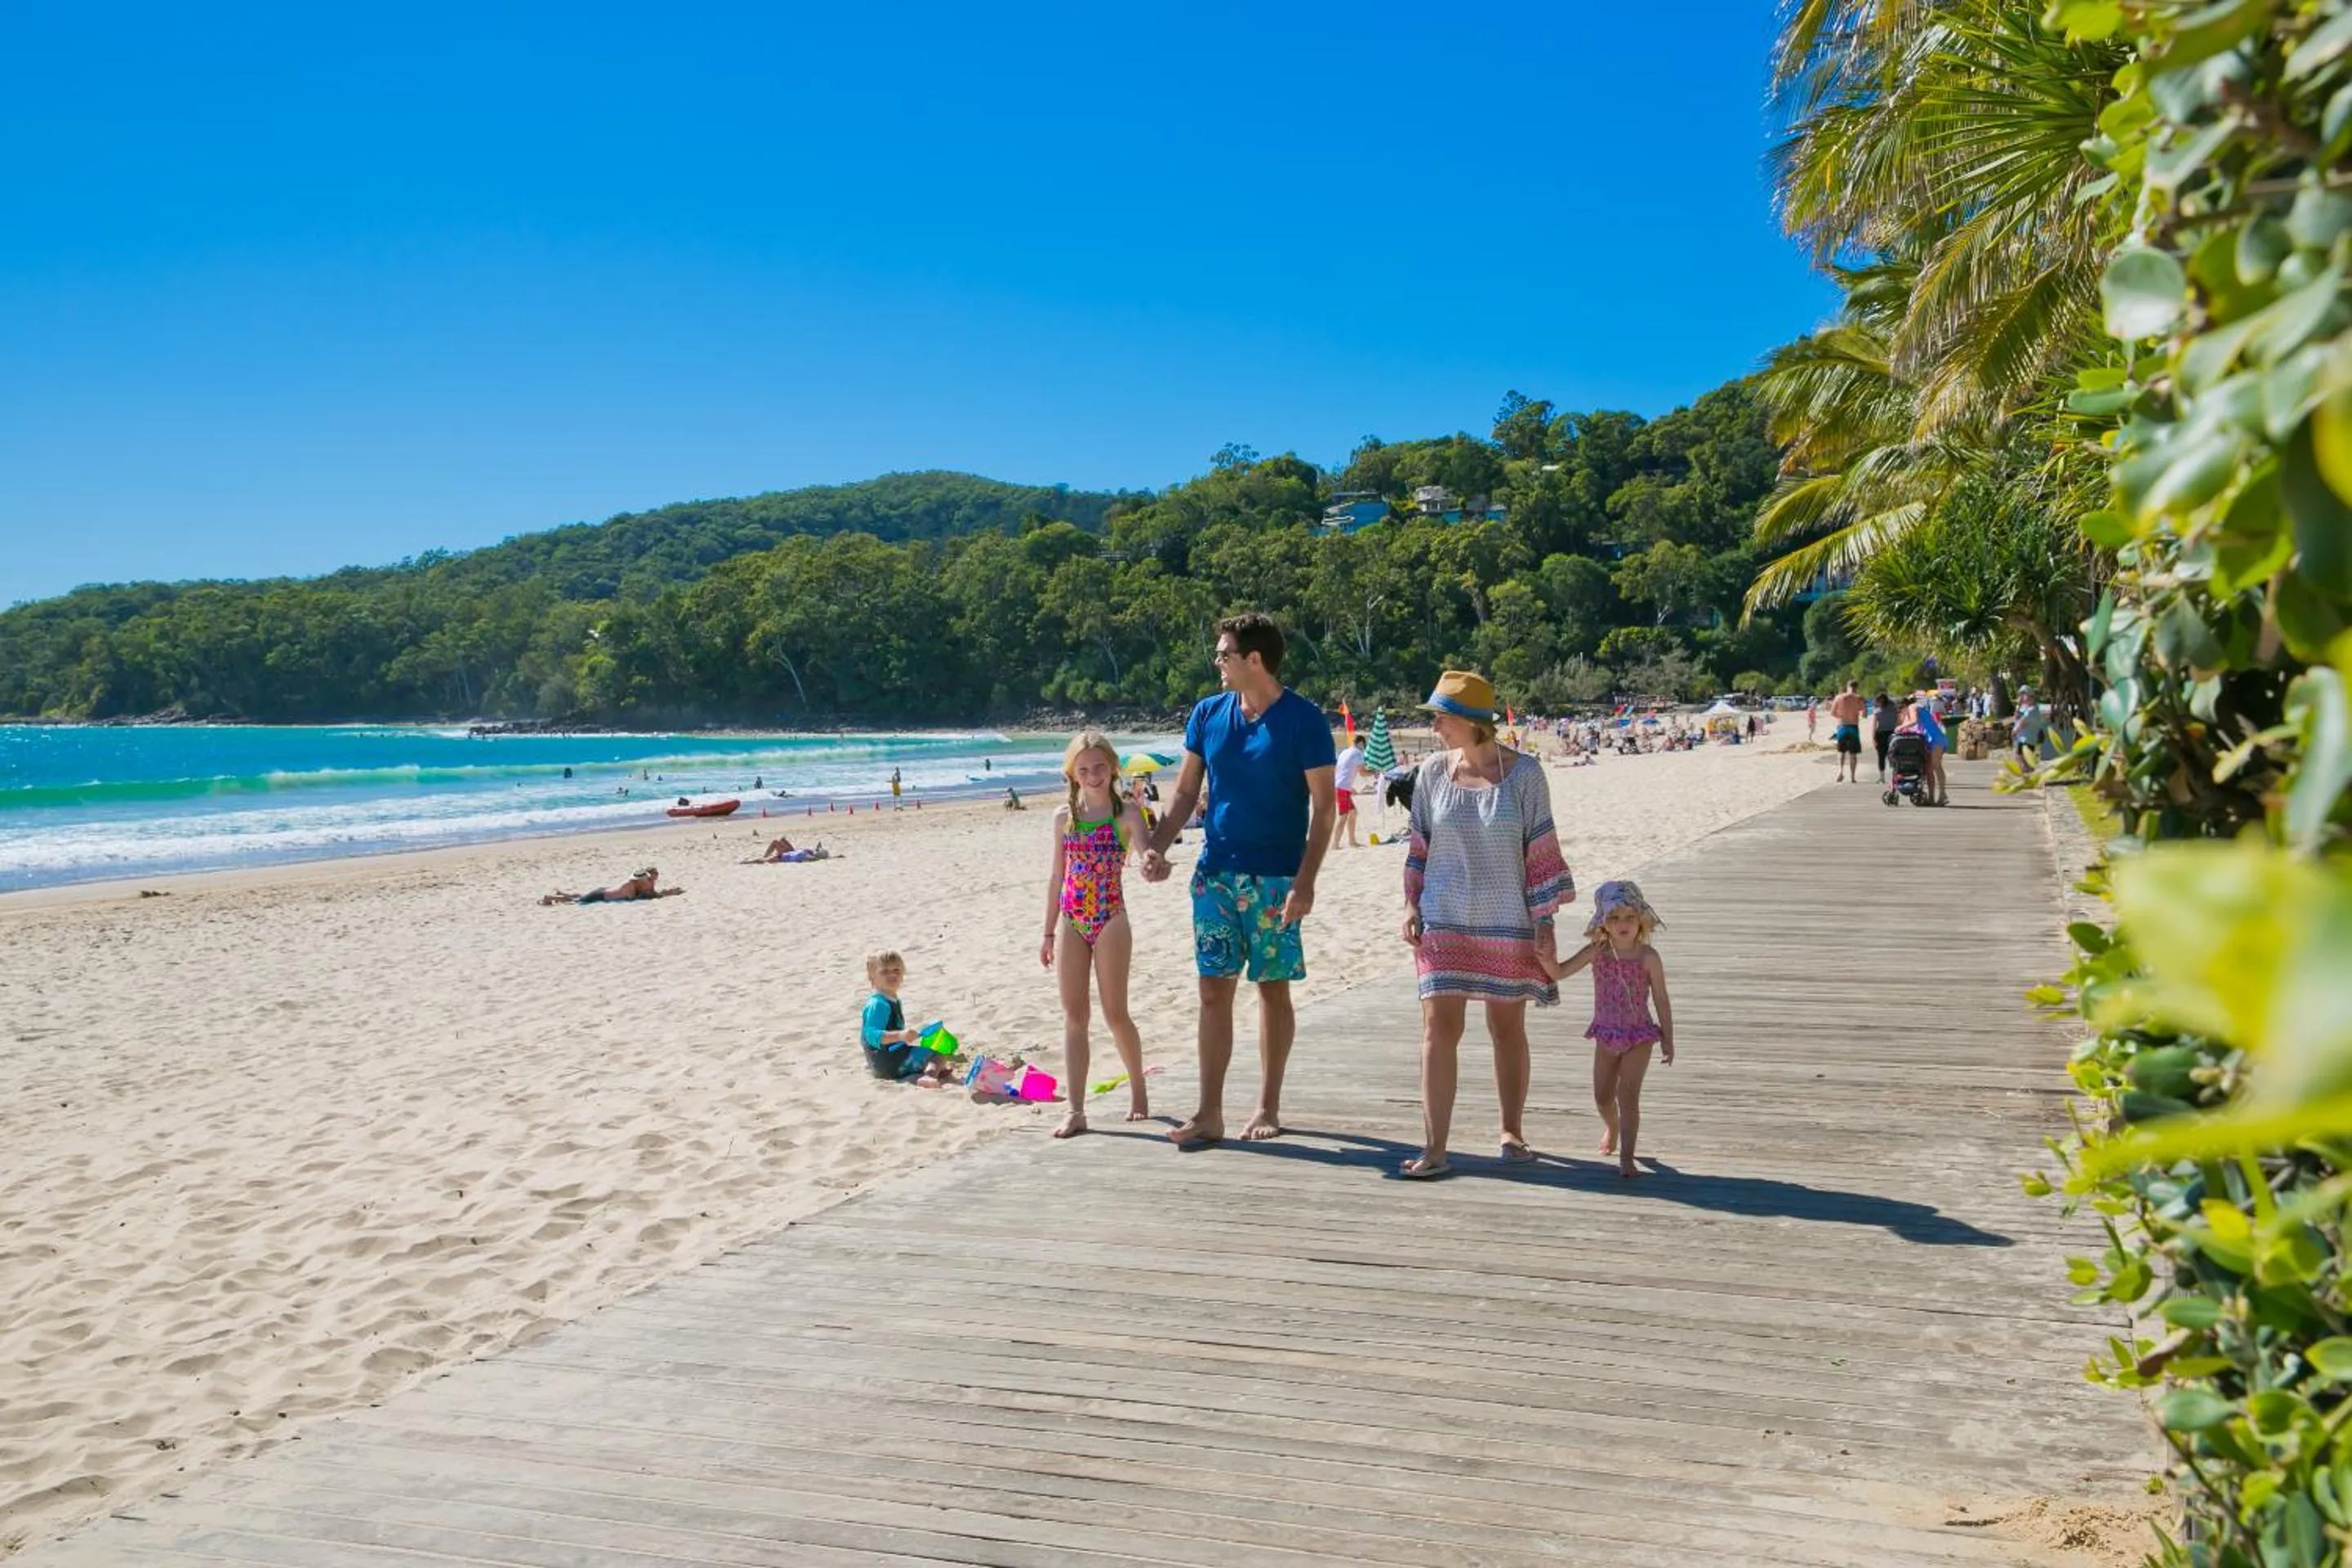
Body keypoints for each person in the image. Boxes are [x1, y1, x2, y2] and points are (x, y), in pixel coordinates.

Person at [1141, 612, 1337, 1146]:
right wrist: (1156, 848)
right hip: (1215, 876)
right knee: (1212, 992)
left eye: (1224, 653)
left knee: (1272, 990)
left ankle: (1267, 1105)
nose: (1217, 662)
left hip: (1276, 879)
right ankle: (1209, 1113)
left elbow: (1324, 809)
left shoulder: (1304, 720)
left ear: (1254, 659)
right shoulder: (1208, 714)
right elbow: (1184, 796)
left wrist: (1307, 879)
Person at [1396, 671, 1574, 1180]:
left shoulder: (1526, 776)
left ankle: (1511, 1132)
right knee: (1438, 1029)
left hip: (1507, 921)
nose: (1434, 728)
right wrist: (1410, 905)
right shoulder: (1431, 773)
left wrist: (1544, 921)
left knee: (1506, 1028)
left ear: (1473, 722)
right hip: (1443, 918)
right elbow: (1419, 847)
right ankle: (1435, 1147)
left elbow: (1540, 854)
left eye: (1442, 718)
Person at [1040, 732, 1151, 1137]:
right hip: (1071, 919)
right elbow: (1056, 876)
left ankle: (1138, 1088)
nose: (1093, 775)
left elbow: (1145, 853)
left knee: (1115, 1013)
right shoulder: (1062, 817)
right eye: (1083, 769)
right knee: (1074, 1017)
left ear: (1113, 767)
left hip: (1111, 917)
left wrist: (1153, 862)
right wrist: (1047, 932)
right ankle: (1076, 1109)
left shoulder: (1128, 814)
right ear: (1072, 772)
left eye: (1099, 767)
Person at [1543, 880, 1673, 1178]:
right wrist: (1545, 959)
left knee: (1628, 1096)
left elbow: (1662, 1000)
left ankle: (1627, 1157)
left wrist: (1668, 1039)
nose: (1622, 924)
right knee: (1602, 1097)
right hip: (1606, 1033)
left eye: (1629, 917)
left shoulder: (1648, 957)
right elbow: (1560, 972)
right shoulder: (1597, 952)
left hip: (1639, 1034)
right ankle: (1612, 1127)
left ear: (1640, 918)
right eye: (1614, 918)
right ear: (1604, 922)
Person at [860, 951, 956, 1086]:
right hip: (890, 1063)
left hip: (882, 1063)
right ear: (872, 976)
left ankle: (928, 1070)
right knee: (938, 1055)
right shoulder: (878, 1004)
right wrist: (900, 1035)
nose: (892, 974)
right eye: (884, 971)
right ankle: (928, 1076)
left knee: (926, 1053)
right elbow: (871, 1035)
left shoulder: (890, 1000)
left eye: (896, 970)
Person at [540, 867, 681, 905]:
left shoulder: (638, 884)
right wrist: (666, 894)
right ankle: (551, 897)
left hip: (605, 891)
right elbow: (635, 898)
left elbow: (649, 894)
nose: (650, 880)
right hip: (601, 896)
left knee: (581, 896)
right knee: (577, 902)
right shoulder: (630, 886)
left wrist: (668, 893)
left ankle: (563, 893)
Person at [1912, 691, 1950, 804]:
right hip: (1936, 739)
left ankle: (1941, 795)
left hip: (1935, 739)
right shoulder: (1923, 709)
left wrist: (1901, 727)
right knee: (1933, 768)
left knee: (1934, 767)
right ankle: (1935, 796)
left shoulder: (1914, 708)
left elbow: (1913, 723)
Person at [1331, 733, 1366, 849]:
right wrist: (1376, 772)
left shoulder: (1345, 752)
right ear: (1361, 743)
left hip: (1340, 786)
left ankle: (1352, 841)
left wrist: (1350, 787)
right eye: (1364, 745)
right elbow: (1363, 773)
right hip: (1342, 788)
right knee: (1343, 816)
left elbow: (1340, 769)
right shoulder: (1358, 753)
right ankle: (1335, 844)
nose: (1364, 748)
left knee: (1353, 813)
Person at [1828, 680, 1866, 782]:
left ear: (1847, 686)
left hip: (1842, 726)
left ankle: (1840, 771)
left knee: (1841, 751)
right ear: (1856, 687)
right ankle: (1853, 777)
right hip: (1853, 726)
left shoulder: (1839, 697)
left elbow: (1832, 713)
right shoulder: (1858, 698)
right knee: (1853, 754)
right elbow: (1864, 715)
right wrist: (1862, 705)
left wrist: (1841, 716)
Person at [2012, 687, 2050, 773]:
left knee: (2020, 757)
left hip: (2028, 738)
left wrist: (2015, 730)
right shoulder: (2025, 708)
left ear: (2030, 696)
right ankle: (2029, 774)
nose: (2021, 697)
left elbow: (2022, 721)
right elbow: (2016, 718)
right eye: (2021, 695)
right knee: (2020, 758)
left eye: (2024, 694)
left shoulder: (2033, 709)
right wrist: (2018, 706)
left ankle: (2029, 774)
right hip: (2022, 738)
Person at [1871, 692, 1900, 782]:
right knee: (1894, 756)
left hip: (1881, 735)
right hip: (1893, 734)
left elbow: (1874, 726)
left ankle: (1882, 778)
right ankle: (1894, 776)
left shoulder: (1877, 711)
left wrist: (1873, 739)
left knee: (1881, 756)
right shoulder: (1895, 709)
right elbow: (1898, 722)